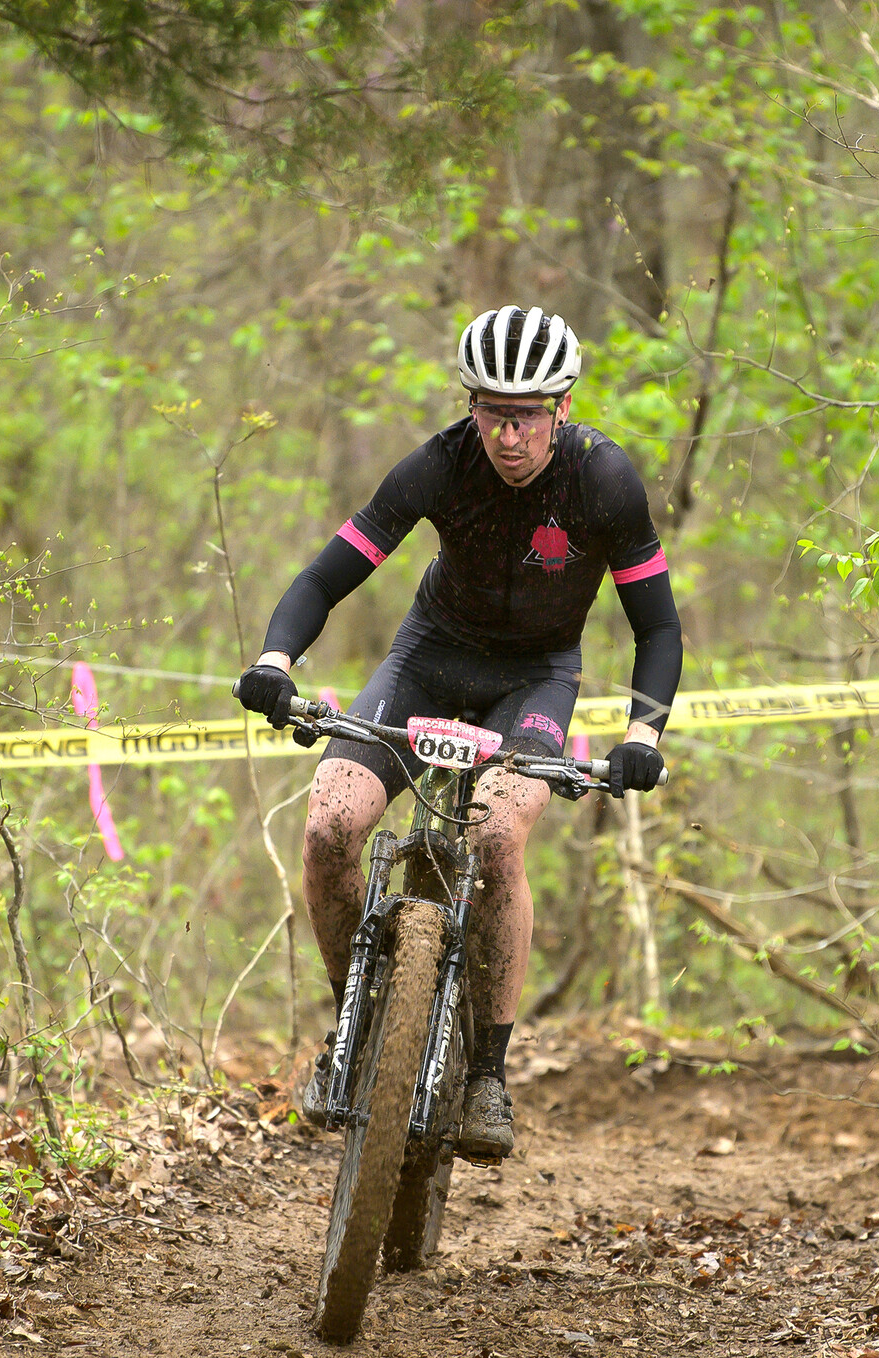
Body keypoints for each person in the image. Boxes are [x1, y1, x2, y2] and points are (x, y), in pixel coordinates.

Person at [233, 305, 683, 1161]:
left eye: (526, 414)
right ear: (469, 406)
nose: (507, 435)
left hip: (536, 679)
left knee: (499, 837)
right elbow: (331, 573)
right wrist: (276, 659)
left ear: (562, 407)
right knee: (329, 823)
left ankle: (486, 1075)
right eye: (489, 410)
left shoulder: (603, 481)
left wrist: (643, 735)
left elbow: (657, 629)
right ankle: (351, 1032)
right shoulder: (440, 465)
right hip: (429, 660)